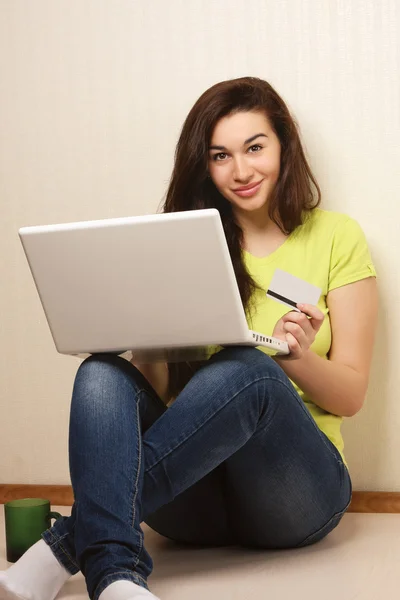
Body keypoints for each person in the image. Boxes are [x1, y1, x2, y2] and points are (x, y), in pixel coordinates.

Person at [0, 77, 378, 600]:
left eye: (255, 147)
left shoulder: (338, 236)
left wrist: (296, 359)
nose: (241, 171)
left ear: (284, 146)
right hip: (192, 501)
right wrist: (140, 335)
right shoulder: (184, 241)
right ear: (204, 164)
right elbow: (156, 391)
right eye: (221, 155)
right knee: (100, 372)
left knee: (247, 368)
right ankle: (115, 579)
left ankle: (66, 542)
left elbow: (352, 395)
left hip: (296, 493)